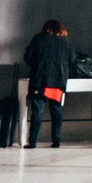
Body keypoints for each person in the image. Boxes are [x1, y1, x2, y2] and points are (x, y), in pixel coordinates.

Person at [23, 19, 73, 148]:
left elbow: (28, 57)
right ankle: (56, 141)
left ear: (46, 29)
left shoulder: (39, 38)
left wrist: (37, 66)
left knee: (37, 111)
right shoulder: (66, 42)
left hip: (39, 81)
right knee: (56, 110)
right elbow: (72, 59)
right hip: (57, 83)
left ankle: (32, 142)